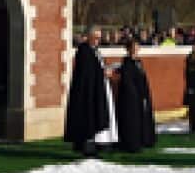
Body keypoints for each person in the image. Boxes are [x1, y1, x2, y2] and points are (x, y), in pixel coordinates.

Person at [63, 27, 116, 156]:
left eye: (99, 37)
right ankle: (87, 146)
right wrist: (102, 72)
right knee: (87, 119)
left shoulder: (94, 51)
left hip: (95, 89)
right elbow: (86, 72)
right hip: (86, 92)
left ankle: (97, 144)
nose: (98, 40)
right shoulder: (84, 51)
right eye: (96, 37)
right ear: (90, 36)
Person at [114, 39, 156, 152]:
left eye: (137, 47)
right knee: (131, 121)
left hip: (140, 95)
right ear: (128, 49)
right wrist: (135, 96)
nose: (136, 50)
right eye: (133, 47)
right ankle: (130, 144)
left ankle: (144, 140)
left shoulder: (139, 62)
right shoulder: (127, 63)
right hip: (130, 98)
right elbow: (127, 82)